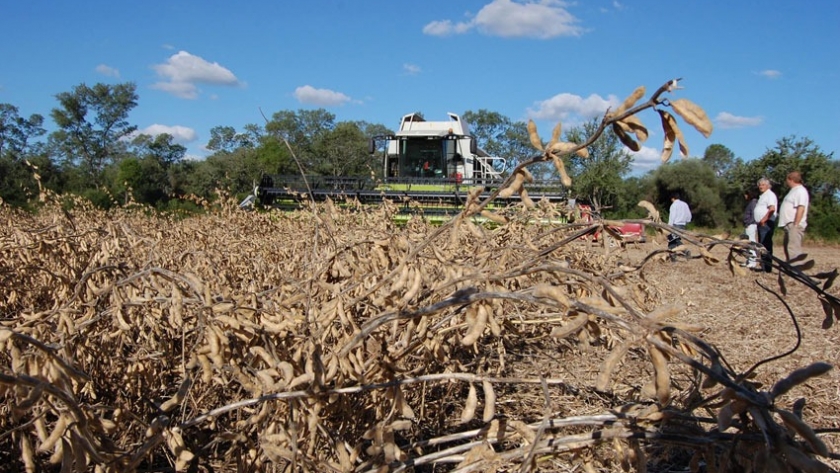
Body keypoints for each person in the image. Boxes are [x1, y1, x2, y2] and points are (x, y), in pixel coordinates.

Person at [777, 171, 809, 262]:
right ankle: (790, 269)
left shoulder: (800, 191)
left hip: (794, 224)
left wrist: (796, 224)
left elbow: (801, 208)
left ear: (790, 179)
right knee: (788, 248)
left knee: (793, 249)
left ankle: (796, 270)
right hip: (788, 224)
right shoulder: (793, 191)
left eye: (787, 180)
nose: (786, 182)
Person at [754, 177, 778, 273]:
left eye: (763, 184)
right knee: (762, 245)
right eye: (759, 185)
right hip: (762, 224)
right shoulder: (763, 195)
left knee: (765, 246)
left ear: (768, 186)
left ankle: (767, 268)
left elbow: (772, 209)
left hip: (766, 223)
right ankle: (764, 266)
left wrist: (764, 220)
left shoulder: (770, 195)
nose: (760, 186)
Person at [667, 192, 692, 261]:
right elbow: (689, 215)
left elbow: (672, 216)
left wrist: (669, 226)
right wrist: (686, 221)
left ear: (672, 198)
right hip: (682, 225)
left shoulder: (674, 205)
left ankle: (674, 259)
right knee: (677, 240)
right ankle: (686, 251)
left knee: (671, 241)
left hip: (675, 225)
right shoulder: (685, 204)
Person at [742, 189, 759, 268]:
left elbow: (754, 214)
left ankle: (753, 262)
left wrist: (749, 223)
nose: (745, 196)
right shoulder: (751, 202)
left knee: (750, 242)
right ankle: (748, 260)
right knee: (746, 243)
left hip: (751, 225)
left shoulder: (753, 202)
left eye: (746, 194)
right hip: (748, 225)